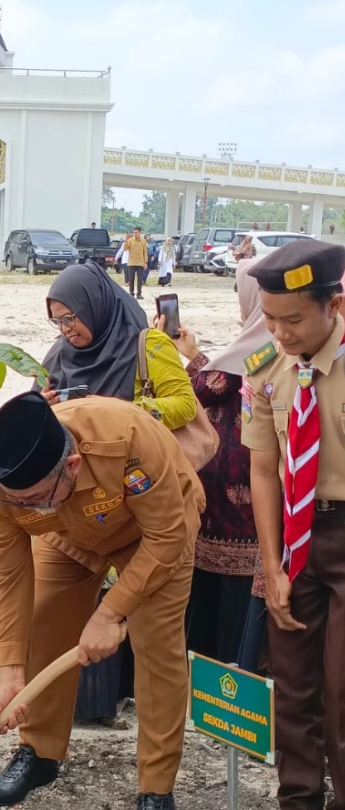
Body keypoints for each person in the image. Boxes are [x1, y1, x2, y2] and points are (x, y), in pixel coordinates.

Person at [0, 392, 204, 810]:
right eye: (17, 500)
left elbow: (166, 537)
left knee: (156, 648)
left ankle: (156, 787)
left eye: (34, 499)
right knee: (45, 621)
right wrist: (10, 670)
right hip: (67, 534)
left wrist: (110, 612)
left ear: (72, 466)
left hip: (152, 537)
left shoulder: (127, 442)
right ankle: (39, 755)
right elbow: (11, 573)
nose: (23, 507)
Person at [241, 240, 345, 810]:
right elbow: (264, 471)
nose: (279, 333)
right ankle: (299, 799)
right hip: (295, 537)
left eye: (294, 320)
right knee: (295, 687)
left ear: (336, 307)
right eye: (271, 320)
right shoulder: (267, 370)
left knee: (342, 690)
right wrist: (273, 565)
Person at [161, 260, 266, 667]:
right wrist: (198, 354)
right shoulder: (265, 342)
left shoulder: (251, 347)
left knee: (216, 593)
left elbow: (201, 390)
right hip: (245, 489)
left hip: (229, 489)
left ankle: (212, 671)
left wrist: (183, 356)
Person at [42, 263, 197, 430]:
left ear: (95, 306)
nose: (64, 329)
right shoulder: (59, 353)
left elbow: (185, 405)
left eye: (68, 318)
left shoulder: (149, 345)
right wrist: (42, 407)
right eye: (56, 321)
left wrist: (120, 410)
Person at [123, 227, 147, 299]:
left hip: (140, 262)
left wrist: (145, 262)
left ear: (140, 233)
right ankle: (131, 293)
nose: (135, 234)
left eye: (136, 233)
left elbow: (145, 252)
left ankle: (139, 293)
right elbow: (125, 249)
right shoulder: (130, 240)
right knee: (131, 278)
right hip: (131, 262)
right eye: (134, 233)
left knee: (140, 279)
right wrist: (126, 240)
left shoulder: (143, 241)